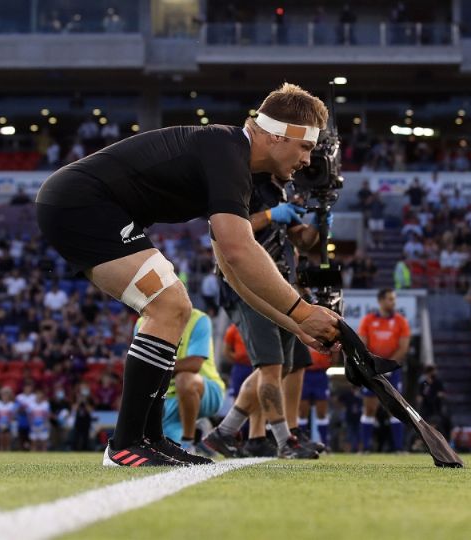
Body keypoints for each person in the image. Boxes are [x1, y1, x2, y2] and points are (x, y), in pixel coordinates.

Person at [36, 83, 340, 467]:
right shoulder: (229, 152)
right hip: (82, 202)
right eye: (306, 147)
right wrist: (301, 311)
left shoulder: (234, 159)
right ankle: (127, 443)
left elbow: (231, 269)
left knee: (173, 307)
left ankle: (148, 438)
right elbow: (238, 251)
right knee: (169, 304)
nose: (308, 160)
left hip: (81, 202)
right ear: (280, 135)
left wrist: (294, 324)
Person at [202, 166, 330, 461]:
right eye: (301, 151)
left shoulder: (279, 191)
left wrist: (319, 223)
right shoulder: (243, 183)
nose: (303, 162)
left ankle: (224, 433)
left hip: (280, 286)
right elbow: (227, 229)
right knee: (272, 366)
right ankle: (286, 441)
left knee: (279, 367)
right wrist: (272, 215)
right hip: (248, 285)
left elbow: (301, 240)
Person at [135, 308, 224, 457]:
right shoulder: (141, 323)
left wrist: (156, 367)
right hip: (167, 399)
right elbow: (139, 366)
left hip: (205, 390)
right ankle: (198, 432)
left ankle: (189, 443)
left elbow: (194, 364)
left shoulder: (198, 319)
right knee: (163, 447)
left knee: (185, 379)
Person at [357, 288, 410, 452]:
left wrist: (387, 366)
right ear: (380, 301)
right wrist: (374, 365)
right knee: (369, 408)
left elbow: (403, 347)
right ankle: (365, 447)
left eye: (393, 299)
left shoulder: (401, 321)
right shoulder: (368, 320)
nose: (393, 303)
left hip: (392, 371)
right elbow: (362, 345)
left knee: (395, 409)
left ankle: (399, 448)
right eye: (389, 299)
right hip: (372, 370)